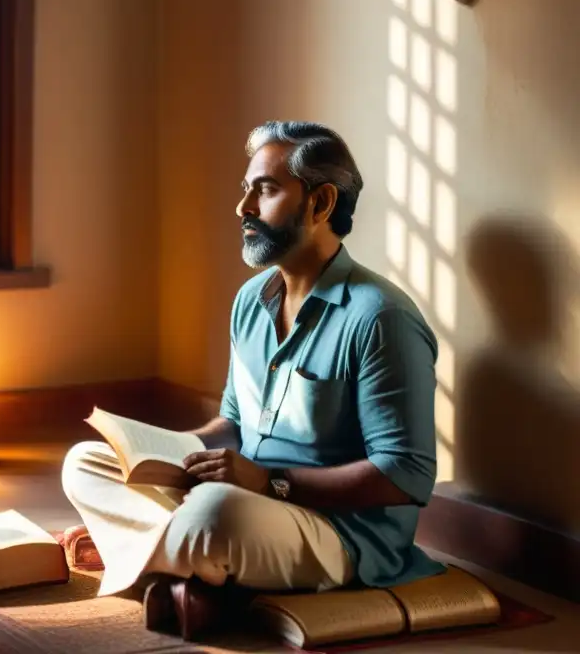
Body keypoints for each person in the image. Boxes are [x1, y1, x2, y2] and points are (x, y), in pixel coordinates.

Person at [61, 121, 445, 640]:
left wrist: (268, 482)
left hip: (339, 530)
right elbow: (234, 423)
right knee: (86, 463)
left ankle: (137, 559)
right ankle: (190, 577)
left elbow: (406, 475)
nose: (242, 208)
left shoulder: (381, 318)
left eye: (263, 190)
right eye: (246, 189)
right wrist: (158, 453)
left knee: (217, 514)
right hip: (246, 491)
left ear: (321, 203)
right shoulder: (251, 301)